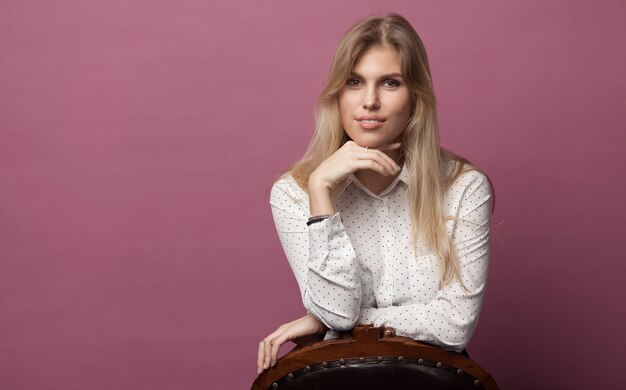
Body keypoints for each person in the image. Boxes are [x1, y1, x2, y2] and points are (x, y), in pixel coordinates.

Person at [257, 13, 495, 374]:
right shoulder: (293, 193)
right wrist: (321, 193)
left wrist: (326, 325)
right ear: (337, 94)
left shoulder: (464, 188)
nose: (369, 101)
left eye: (389, 83)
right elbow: (337, 309)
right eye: (354, 82)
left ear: (415, 97)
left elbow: (455, 325)